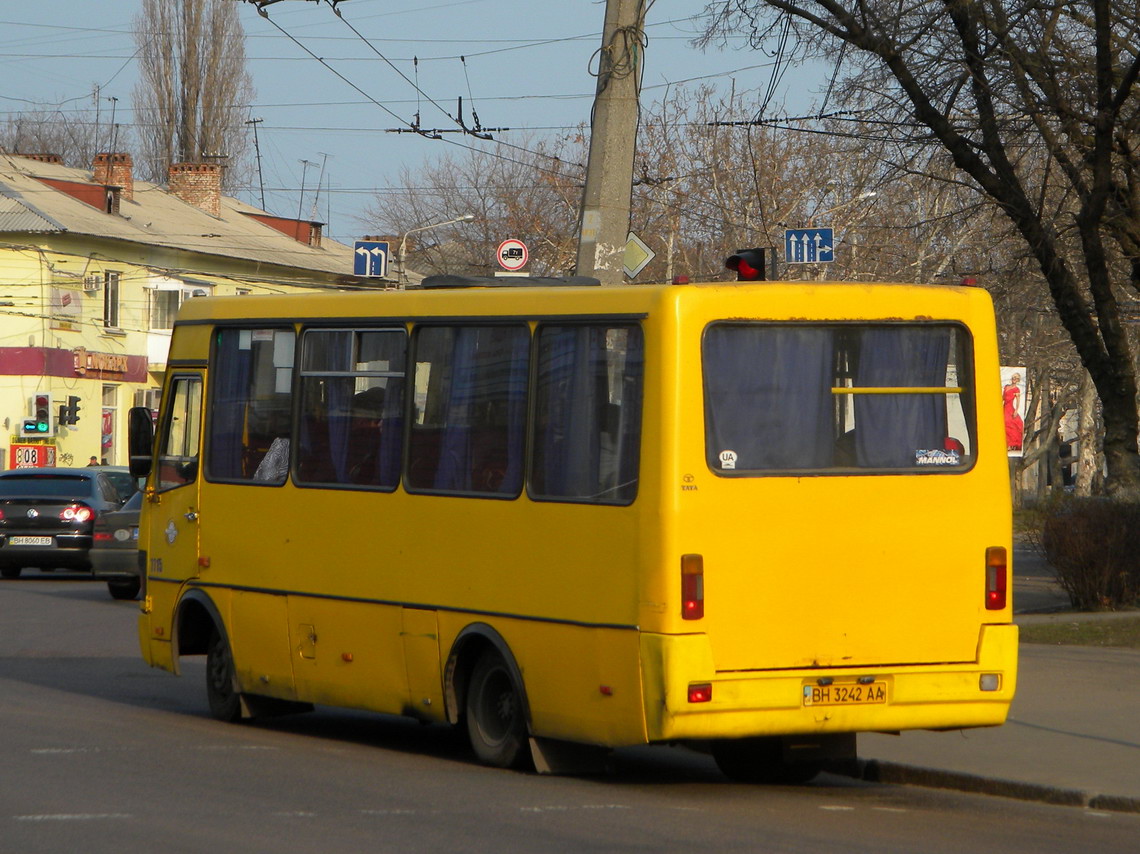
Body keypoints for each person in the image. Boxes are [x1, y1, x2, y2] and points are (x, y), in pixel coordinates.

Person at [1003, 372, 1024, 451]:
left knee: (1009, 425)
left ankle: (1010, 444)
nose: (1014, 379)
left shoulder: (1016, 389)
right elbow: (1002, 397)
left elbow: (1018, 401)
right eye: (1013, 378)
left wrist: (1016, 410)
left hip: (1010, 408)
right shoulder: (1006, 387)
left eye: (1016, 378)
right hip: (1004, 407)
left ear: (1018, 380)